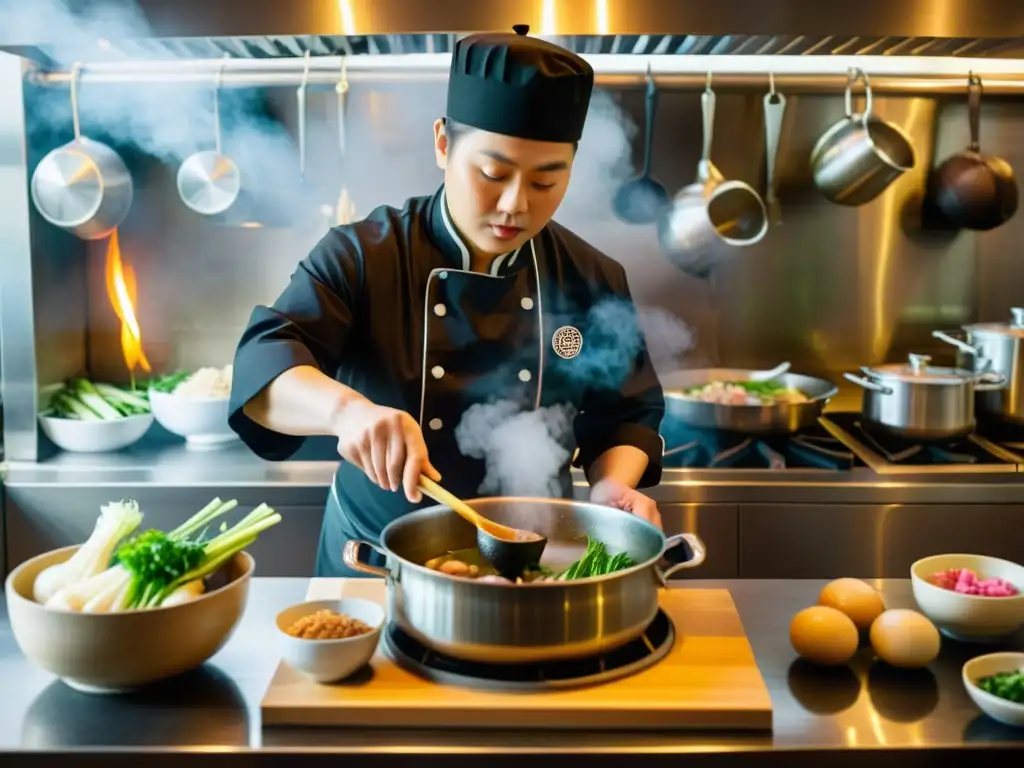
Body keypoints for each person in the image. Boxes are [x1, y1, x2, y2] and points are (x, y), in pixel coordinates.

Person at [227, 26, 667, 577]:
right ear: (442, 143)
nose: (515, 205)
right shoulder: (363, 255)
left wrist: (611, 485)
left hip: (533, 560)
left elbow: (624, 414)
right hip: (373, 562)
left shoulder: (591, 276)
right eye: (493, 173)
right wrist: (348, 413)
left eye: (546, 182)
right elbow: (263, 366)